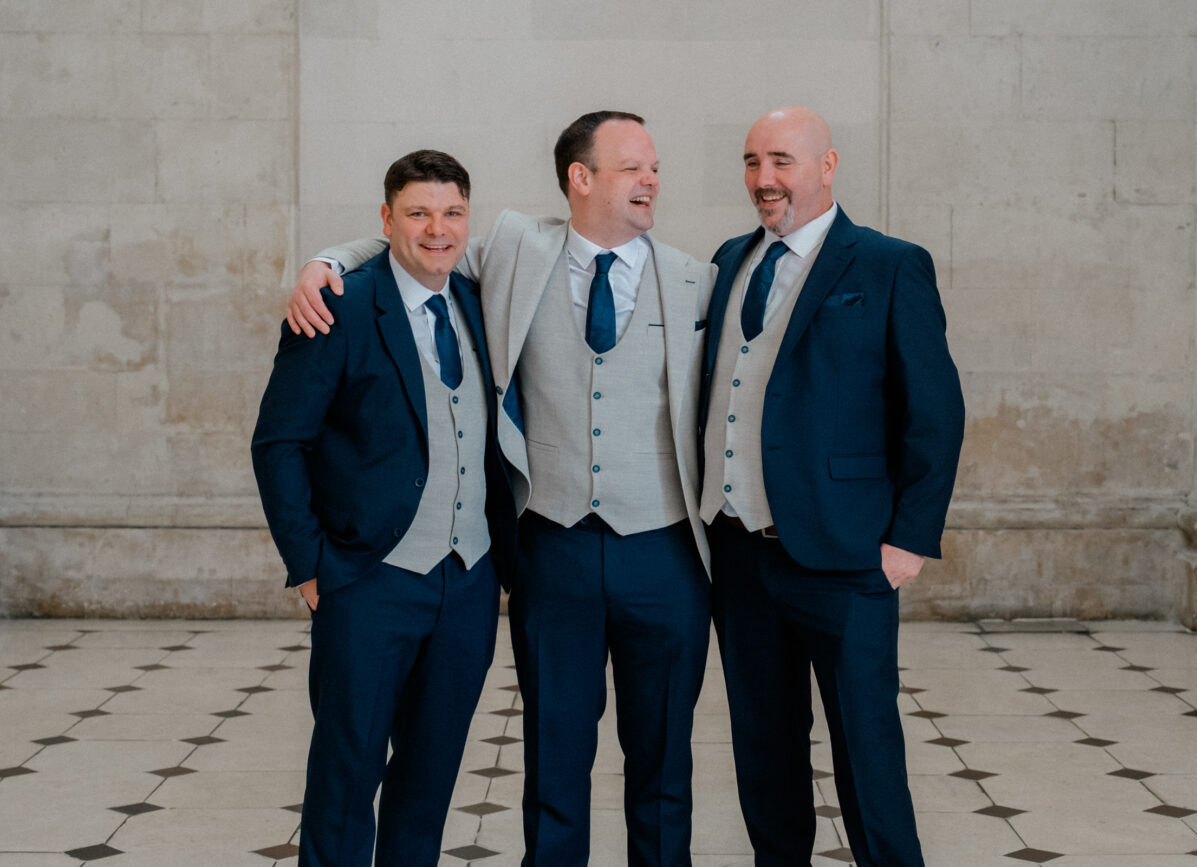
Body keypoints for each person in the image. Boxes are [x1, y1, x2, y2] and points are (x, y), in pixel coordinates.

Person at [285, 112, 714, 867]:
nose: (652, 180)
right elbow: (417, 246)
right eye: (634, 167)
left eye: (655, 168)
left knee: (663, 765)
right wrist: (324, 261)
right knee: (553, 762)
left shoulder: (697, 278)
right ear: (581, 179)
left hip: (666, 553)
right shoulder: (519, 249)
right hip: (553, 547)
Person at [699, 107, 964, 866]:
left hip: (847, 556)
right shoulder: (728, 259)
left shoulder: (887, 264)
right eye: (752, 162)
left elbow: (935, 413)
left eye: (781, 160)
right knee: (764, 750)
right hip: (741, 553)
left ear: (828, 164)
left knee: (867, 753)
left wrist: (909, 539)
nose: (763, 180)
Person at [251, 149, 516, 866]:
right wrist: (310, 566)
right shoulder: (338, 303)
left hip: (465, 583)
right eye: (419, 213)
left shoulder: (474, 298)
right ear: (386, 219)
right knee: (347, 776)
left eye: (453, 212)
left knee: (429, 781)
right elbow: (278, 442)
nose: (438, 229)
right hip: (367, 580)